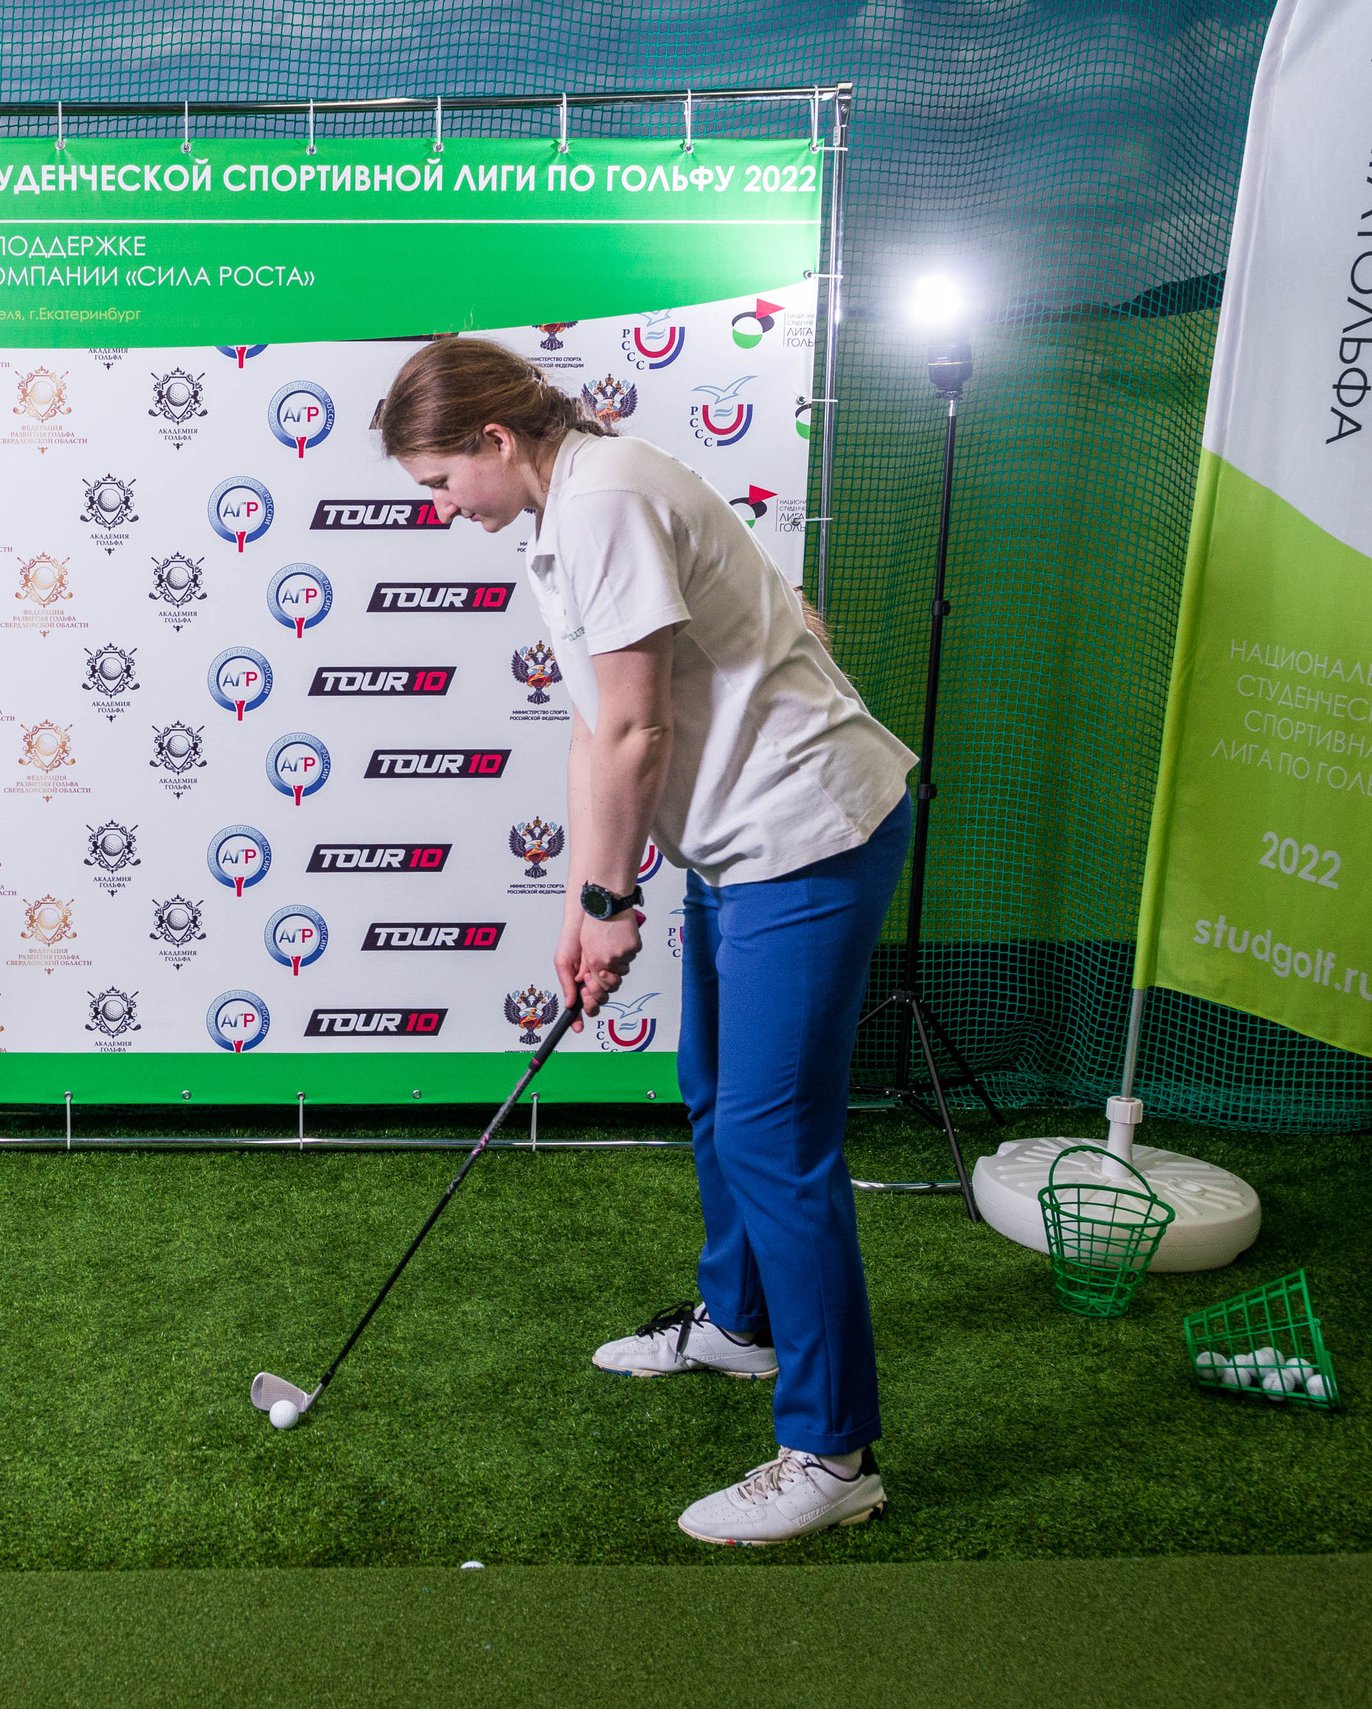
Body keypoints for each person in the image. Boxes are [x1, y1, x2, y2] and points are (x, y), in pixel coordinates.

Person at [379, 336, 919, 1545]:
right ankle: (740, 1321)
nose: (436, 508)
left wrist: (613, 906)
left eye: (435, 482)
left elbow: (635, 734)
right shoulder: (558, 512)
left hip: (805, 836)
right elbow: (592, 729)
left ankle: (834, 1450)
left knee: (779, 1141)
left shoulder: (607, 496)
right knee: (717, 1094)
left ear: (494, 441)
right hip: (738, 841)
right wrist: (584, 895)